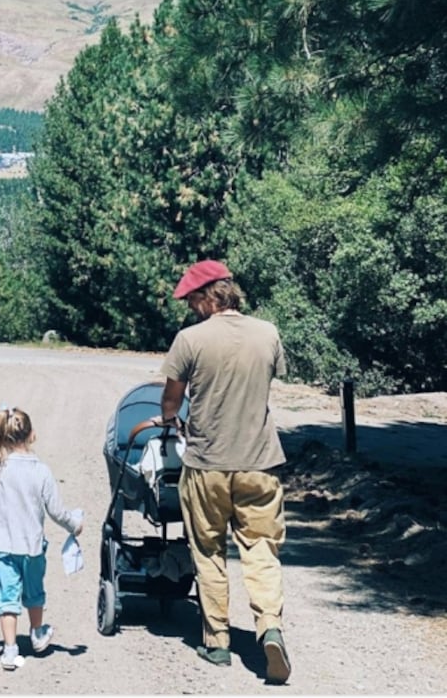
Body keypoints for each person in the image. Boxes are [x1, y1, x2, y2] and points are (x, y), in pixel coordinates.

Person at [157, 258, 291, 684]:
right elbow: (270, 381)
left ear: (206, 296)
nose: (190, 307)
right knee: (261, 550)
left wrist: (169, 419)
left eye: (192, 299)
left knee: (209, 550)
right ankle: (269, 625)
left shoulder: (190, 339)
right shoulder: (267, 333)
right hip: (259, 463)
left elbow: (172, 400)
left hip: (206, 464)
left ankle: (217, 643)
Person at [0, 406, 83, 671]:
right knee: (34, 593)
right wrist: (74, 524)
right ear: (32, 435)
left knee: (6, 599)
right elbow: (56, 511)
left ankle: (10, 650)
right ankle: (37, 633)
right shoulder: (42, 471)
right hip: (32, 548)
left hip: (3, 548)